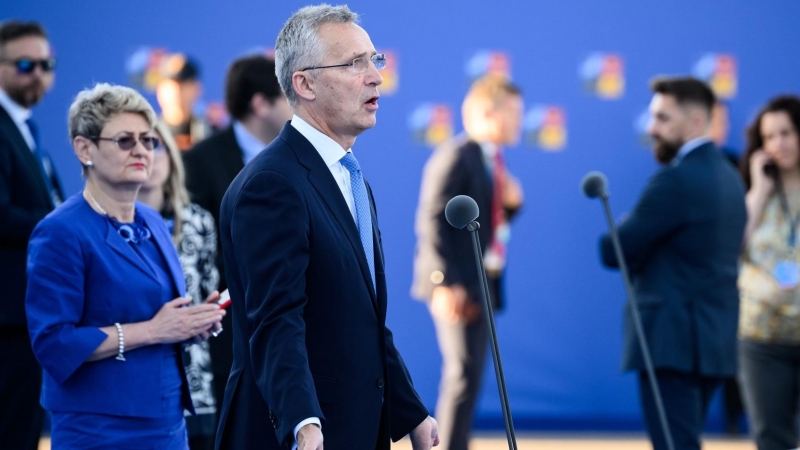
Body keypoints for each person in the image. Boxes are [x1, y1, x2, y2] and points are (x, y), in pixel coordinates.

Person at [215, 5, 438, 450]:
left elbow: (361, 317)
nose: (375, 76)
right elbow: (276, 320)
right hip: (299, 436)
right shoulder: (273, 184)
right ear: (305, 83)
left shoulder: (348, 175)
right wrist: (303, 423)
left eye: (375, 60)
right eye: (354, 63)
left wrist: (411, 412)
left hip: (355, 427)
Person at [25, 83, 225, 448]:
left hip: (168, 420)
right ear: (85, 148)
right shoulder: (60, 231)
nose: (141, 150)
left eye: (148, 141)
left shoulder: (151, 221)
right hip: (99, 428)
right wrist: (153, 330)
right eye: (125, 140)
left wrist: (189, 324)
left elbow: (162, 320)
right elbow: (53, 343)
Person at [598, 76, 746, 450]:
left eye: (663, 118)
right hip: (711, 341)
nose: (652, 128)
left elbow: (613, 249)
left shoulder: (677, 181)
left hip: (672, 342)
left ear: (695, 123)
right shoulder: (730, 176)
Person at [411, 75, 524, 450]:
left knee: (471, 376)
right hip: (457, 284)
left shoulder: (492, 160)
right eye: (515, 113)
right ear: (490, 113)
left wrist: (511, 206)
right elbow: (432, 218)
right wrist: (444, 281)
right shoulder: (456, 155)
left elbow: (485, 223)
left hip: (481, 283)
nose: (520, 122)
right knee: (461, 375)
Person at [183, 55, 291, 406]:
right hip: (225, 328)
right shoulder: (200, 161)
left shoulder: (300, 156)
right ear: (261, 104)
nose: (300, 107)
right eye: (288, 96)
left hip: (289, 320)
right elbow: (195, 246)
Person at [139, 120, 221, 450]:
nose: (149, 155)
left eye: (157, 145)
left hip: (196, 381)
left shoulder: (199, 220)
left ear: (173, 156)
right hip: (134, 378)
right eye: (137, 145)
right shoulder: (106, 224)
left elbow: (208, 286)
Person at [0, 20, 61, 450]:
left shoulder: (27, 127)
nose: (37, 73)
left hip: (27, 313)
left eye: (45, 64)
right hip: (7, 318)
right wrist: (59, 223)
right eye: (25, 64)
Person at [737, 95, 800, 450]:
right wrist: (758, 191)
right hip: (762, 336)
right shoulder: (755, 190)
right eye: (769, 137)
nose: (778, 144)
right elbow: (732, 249)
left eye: (786, 133)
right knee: (771, 439)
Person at [156, 54, 212, 151]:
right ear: (159, 90)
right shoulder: (147, 135)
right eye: (171, 86)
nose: (177, 92)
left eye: (183, 85)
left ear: (197, 88)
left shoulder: (212, 135)